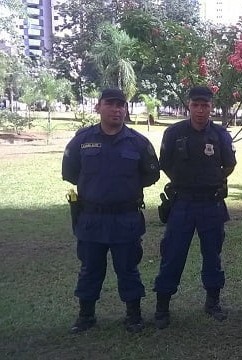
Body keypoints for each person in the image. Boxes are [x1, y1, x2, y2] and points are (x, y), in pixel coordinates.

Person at [62, 88, 160, 333]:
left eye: (121, 105)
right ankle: (86, 316)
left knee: (128, 269)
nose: (116, 109)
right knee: (90, 269)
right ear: (98, 107)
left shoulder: (138, 142)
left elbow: (151, 174)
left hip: (125, 217)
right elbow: (70, 172)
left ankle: (134, 316)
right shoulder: (82, 140)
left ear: (125, 109)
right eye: (110, 104)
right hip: (91, 217)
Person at [152, 86, 237, 329]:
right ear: (188, 105)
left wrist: (213, 179)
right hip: (183, 203)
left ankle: (213, 303)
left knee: (213, 255)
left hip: (211, 203)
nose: (200, 110)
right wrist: (183, 181)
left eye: (205, 105)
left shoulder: (221, 135)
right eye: (196, 105)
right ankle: (162, 307)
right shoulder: (173, 133)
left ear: (211, 106)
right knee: (173, 254)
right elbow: (165, 165)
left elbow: (229, 164)